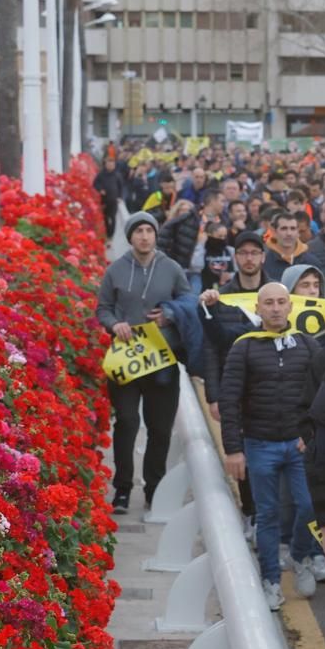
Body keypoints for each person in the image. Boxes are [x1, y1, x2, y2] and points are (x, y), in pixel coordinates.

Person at [218, 283, 325, 609]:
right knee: (268, 516)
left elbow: (322, 397)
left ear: (291, 307)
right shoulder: (244, 347)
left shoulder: (308, 345)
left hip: (298, 444)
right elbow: (230, 399)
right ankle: (270, 581)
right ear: (258, 308)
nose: (276, 308)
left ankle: (302, 554)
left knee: (309, 507)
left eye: (281, 302)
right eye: (269, 303)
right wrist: (233, 449)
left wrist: (314, 438)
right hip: (259, 444)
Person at [96, 211, 192, 514]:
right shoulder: (116, 270)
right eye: (138, 231)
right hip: (126, 358)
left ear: (155, 235)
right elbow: (103, 308)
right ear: (130, 237)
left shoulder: (172, 268)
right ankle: (123, 489)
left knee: (160, 428)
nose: (144, 236)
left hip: (161, 358)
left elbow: (188, 303)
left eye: (149, 231)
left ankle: (155, 488)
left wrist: (170, 315)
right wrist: (114, 325)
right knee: (126, 421)